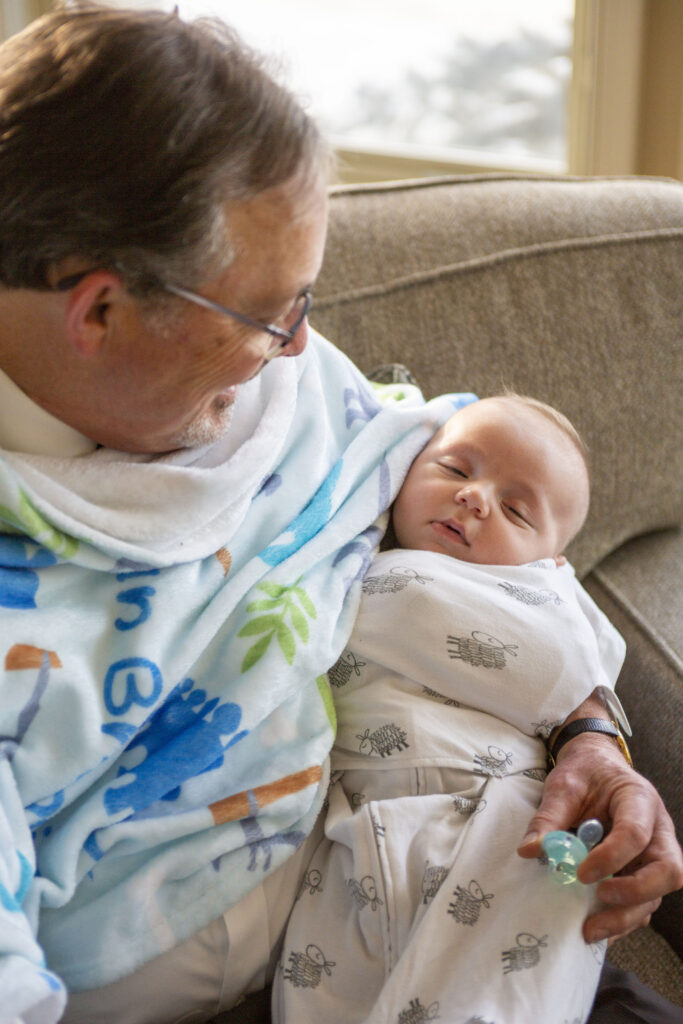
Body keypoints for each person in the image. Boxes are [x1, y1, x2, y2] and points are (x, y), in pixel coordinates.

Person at [0, 6, 678, 1024]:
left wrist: (591, 732)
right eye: (271, 316)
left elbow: (488, 503)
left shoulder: (292, 389)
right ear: (98, 312)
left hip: (450, 884)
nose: (302, 345)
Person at [273, 394, 628, 1022]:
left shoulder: (546, 598)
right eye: (456, 470)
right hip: (354, 831)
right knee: (317, 995)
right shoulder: (347, 554)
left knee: (512, 989)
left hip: (514, 822)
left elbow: (582, 659)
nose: (475, 497)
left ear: (551, 562)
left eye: (516, 510)